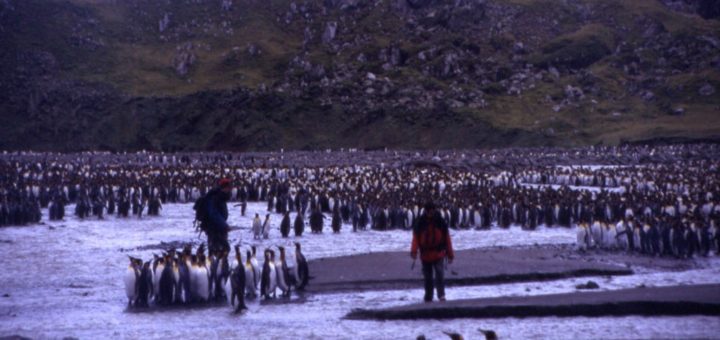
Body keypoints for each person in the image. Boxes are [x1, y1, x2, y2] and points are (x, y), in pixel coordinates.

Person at [411, 201, 454, 302]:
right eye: (428, 211)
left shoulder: (440, 221)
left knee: (439, 274)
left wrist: (450, 254)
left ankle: (441, 295)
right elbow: (415, 238)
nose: (430, 212)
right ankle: (428, 296)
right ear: (425, 211)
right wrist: (414, 251)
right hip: (425, 254)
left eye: (431, 210)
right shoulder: (420, 222)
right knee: (428, 277)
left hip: (438, 252)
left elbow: (447, 238)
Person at [202, 178, 233, 254]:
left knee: (223, 250)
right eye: (228, 188)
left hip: (220, 229)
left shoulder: (221, 197)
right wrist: (224, 225)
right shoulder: (215, 197)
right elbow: (213, 214)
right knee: (217, 251)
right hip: (214, 229)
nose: (229, 190)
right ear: (224, 188)